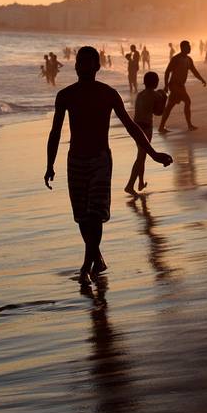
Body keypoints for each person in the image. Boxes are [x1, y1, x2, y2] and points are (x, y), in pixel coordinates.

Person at [45, 47, 173, 284]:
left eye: (88, 62)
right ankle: (97, 257)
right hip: (75, 161)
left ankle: (86, 264)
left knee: (95, 214)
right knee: (82, 217)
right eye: (80, 62)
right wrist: (49, 165)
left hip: (100, 160)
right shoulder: (66, 95)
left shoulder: (108, 94)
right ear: (75, 67)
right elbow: (54, 132)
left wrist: (153, 154)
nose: (82, 66)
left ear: (97, 66)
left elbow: (131, 127)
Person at [126, 71, 168, 196]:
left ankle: (140, 182)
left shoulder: (140, 94)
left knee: (142, 155)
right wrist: (164, 98)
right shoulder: (155, 95)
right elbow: (159, 112)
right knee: (140, 157)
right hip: (146, 128)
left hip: (135, 127)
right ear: (155, 83)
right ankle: (129, 185)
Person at [158, 40, 207, 133]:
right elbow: (167, 71)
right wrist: (166, 85)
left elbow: (194, 71)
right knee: (186, 102)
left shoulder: (189, 60)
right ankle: (189, 125)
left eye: (190, 47)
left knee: (171, 106)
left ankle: (162, 126)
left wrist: (201, 79)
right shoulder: (176, 59)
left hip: (181, 86)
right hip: (174, 85)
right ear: (182, 48)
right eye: (188, 47)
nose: (190, 48)